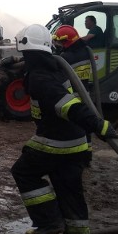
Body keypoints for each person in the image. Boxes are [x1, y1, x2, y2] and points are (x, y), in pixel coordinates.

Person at [8, 24, 118, 234]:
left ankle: (48, 221)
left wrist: (98, 125)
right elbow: (35, 67)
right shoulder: (56, 65)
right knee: (70, 192)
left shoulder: (41, 79)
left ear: (27, 51)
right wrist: (10, 65)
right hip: (76, 142)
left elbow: (67, 105)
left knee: (23, 172)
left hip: (56, 141)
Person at [52, 25, 94, 167]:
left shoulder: (66, 57)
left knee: (72, 129)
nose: (59, 45)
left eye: (60, 42)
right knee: (86, 126)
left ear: (67, 41)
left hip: (71, 96)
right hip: (85, 94)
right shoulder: (86, 52)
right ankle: (87, 156)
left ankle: (75, 158)